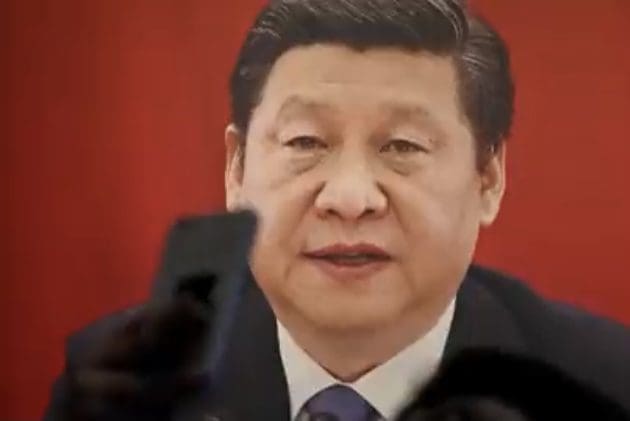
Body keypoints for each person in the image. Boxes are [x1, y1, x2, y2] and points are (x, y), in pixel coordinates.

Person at [44, 1, 630, 420]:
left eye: (402, 146)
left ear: (489, 178)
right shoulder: (122, 388)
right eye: (305, 142)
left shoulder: (604, 383)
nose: (350, 199)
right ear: (236, 169)